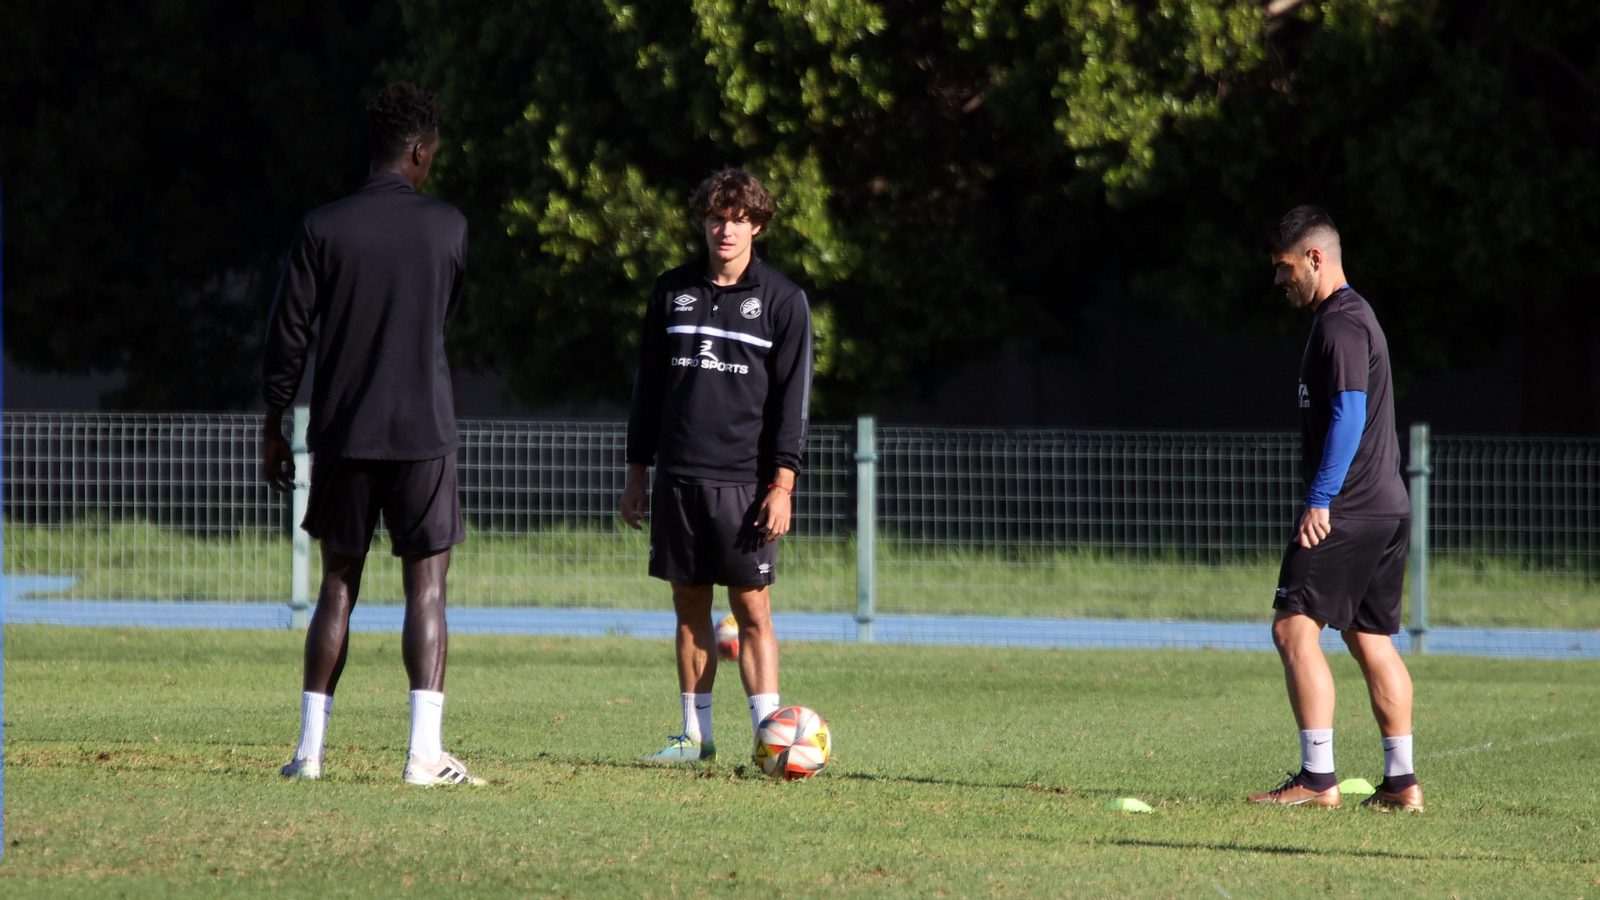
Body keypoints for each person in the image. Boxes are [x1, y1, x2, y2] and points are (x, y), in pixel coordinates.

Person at [260, 82, 481, 786]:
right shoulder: (449, 226)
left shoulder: (323, 227)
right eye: (432, 155)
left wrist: (275, 421)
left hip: (344, 432)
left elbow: (287, 335)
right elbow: (447, 316)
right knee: (428, 588)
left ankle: (309, 754)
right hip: (423, 431)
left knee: (337, 584)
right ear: (417, 151)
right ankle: (423, 757)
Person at [620, 168, 813, 764]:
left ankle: (769, 736)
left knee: (751, 609)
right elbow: (647, 389)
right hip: (678, 477)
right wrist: (636, 474)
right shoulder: (670, 290)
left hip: (747, 485)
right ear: (703, 221)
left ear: (757, 224)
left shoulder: (783, 300)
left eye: (737, 219)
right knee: (688, 608)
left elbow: (793, 402)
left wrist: (781, 484)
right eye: (715, 217)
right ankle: (694, 739)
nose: (724, 229)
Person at [1248, 206, 1421, 810]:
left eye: (1285, 267)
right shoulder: (1354, 318)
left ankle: (1317, 779)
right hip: (1386, 505)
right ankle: (1402, 783)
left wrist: (1320, 498)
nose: (1280, 280)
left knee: (1292, 628)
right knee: (1369, 637)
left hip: (1346, 507)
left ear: (1315, 258)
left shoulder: (1340, 324)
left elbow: (1349, 415)